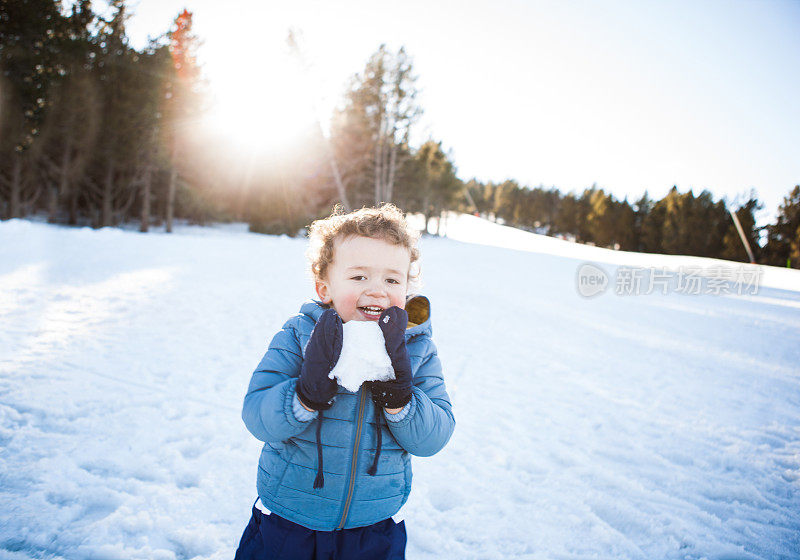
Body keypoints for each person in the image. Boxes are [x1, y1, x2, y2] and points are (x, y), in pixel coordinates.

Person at [235, 204, 455, 560]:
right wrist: (303, 396)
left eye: (392, 279)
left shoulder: (417, 349)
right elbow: (257, 416)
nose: (378, 291)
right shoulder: (300, 335)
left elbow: (435, 437)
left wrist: (402, 401)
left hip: (373, 529)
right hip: (291, 521)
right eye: (359, 277)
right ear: (325, 287)